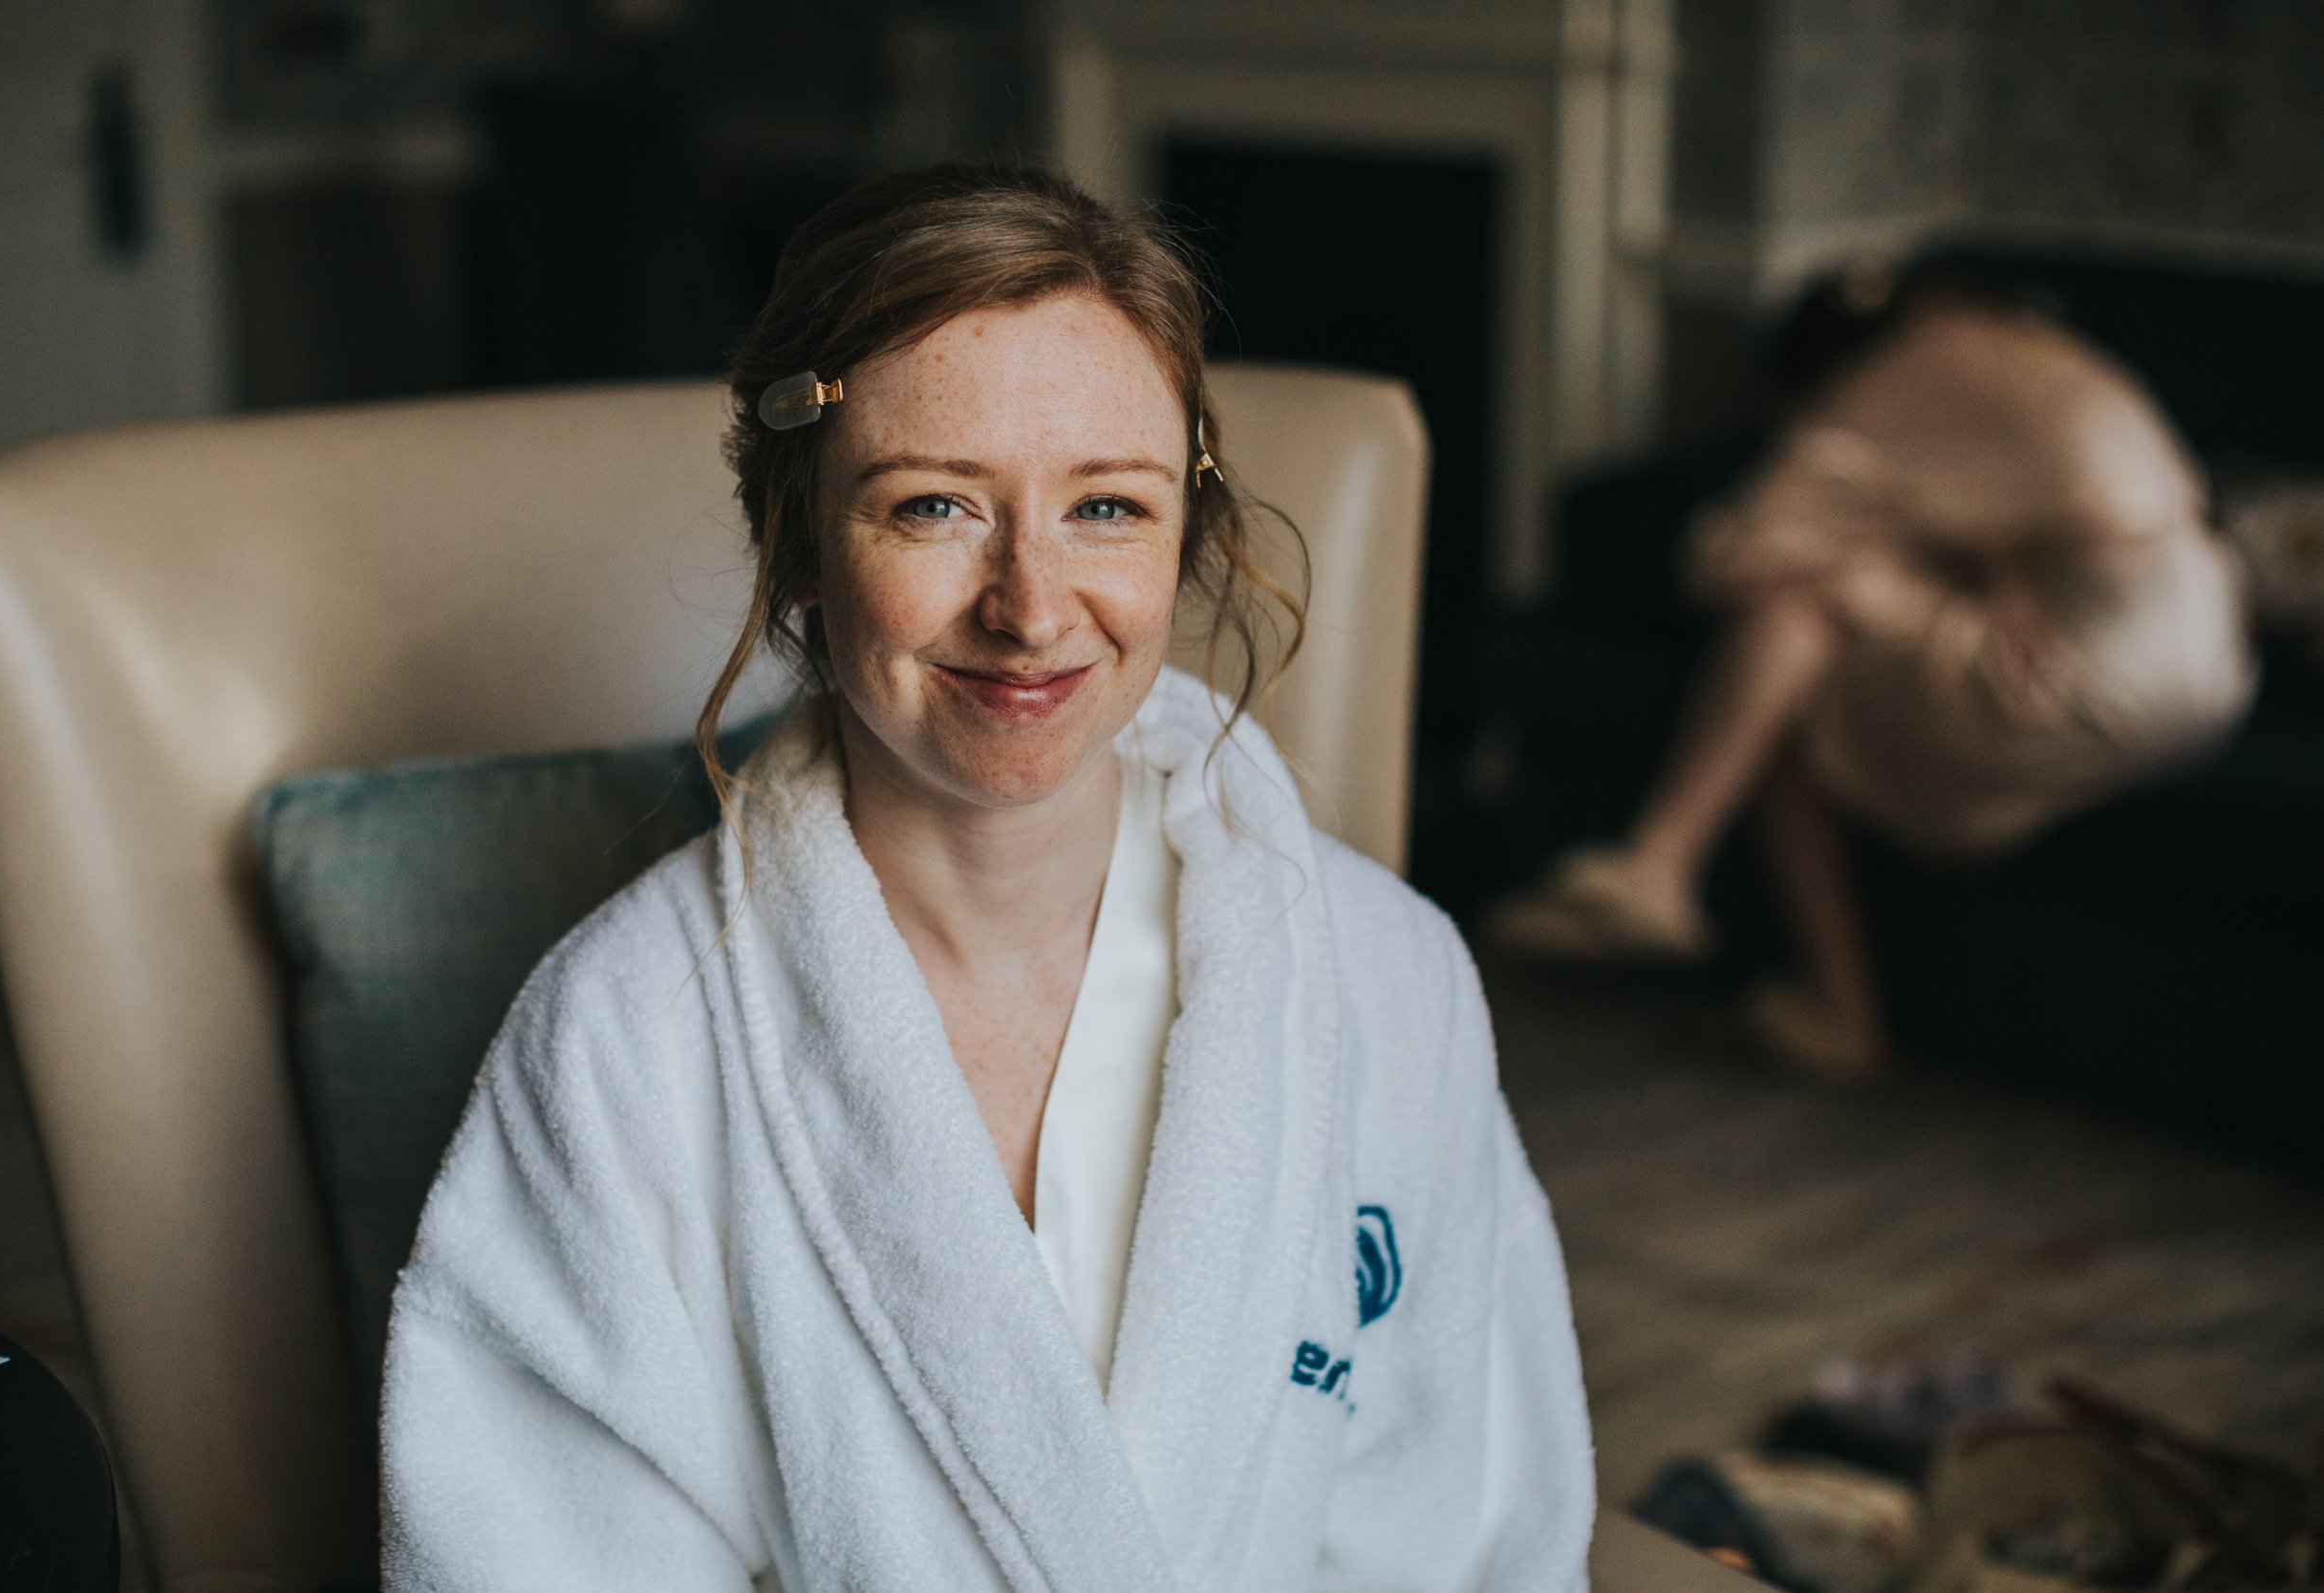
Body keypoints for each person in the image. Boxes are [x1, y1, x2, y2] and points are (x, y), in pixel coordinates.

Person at [380, 164, 1595, 1591]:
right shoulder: (619, 1043)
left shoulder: (1386, 973)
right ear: (797, 545)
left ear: (1187, 534)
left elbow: (1468, 1536)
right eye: (936, 506)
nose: (1030, 609)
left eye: (1108, 508)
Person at [1488, 265, 2255, 1080]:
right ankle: (1688, 894)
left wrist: (1853, 555)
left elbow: (1731, 554)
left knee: (1793, 631)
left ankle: (1681, 881)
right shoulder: (2045, 352)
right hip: (2216, 665)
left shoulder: (1900, 374)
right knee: (1838, 609)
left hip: (2098, 672)